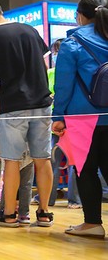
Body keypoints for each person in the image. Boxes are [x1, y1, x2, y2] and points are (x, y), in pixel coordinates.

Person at [0, 0, 54, 228]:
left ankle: (9, 215)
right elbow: (44, 66)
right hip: (42, 103)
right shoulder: (30, 30)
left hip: (13, 105)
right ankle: (44, 213)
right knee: (42, 158)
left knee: (11, 160)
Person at [52, 0, 108, 238]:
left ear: (81, 16)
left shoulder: (73, 43)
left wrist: (58, 116)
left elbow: (63, 85)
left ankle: (93, 223)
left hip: (82, 117)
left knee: (86, 170)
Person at [45, 39, 81, 209]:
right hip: (58, 121)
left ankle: (73, 199)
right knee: (55, 161)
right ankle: (50, 198)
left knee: (72, 161)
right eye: (55, 52)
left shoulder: (70, 72)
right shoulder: (50, 72)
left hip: (67, 120)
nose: (56, 55)